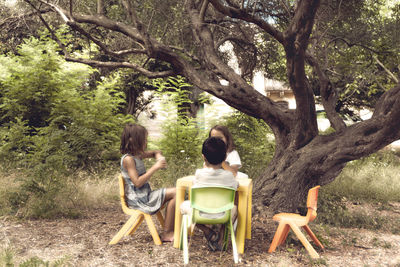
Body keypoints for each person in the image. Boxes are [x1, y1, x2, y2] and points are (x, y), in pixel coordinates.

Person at [180, 137, 238, 251]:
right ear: (225, 157)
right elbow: (236, 186)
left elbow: (194, 184)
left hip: (199, 214)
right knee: (234, 207)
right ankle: (221, 237)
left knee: (183, 206)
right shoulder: (229, 176)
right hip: (223, 215)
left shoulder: (199, 174)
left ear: (203, 157)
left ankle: (207, 231)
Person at [120, 123, 176, 242]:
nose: (146, 142)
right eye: (144, 140)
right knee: (176, 192)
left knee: (177, 192)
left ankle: (170, 229)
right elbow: (137, 183)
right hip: (139, 201)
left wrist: (159, 157)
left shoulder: (138, 155)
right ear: (135, 141)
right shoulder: (128, 159)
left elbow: (156, 151)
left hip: (145, 196)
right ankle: (167, 232)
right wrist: (155, 167)